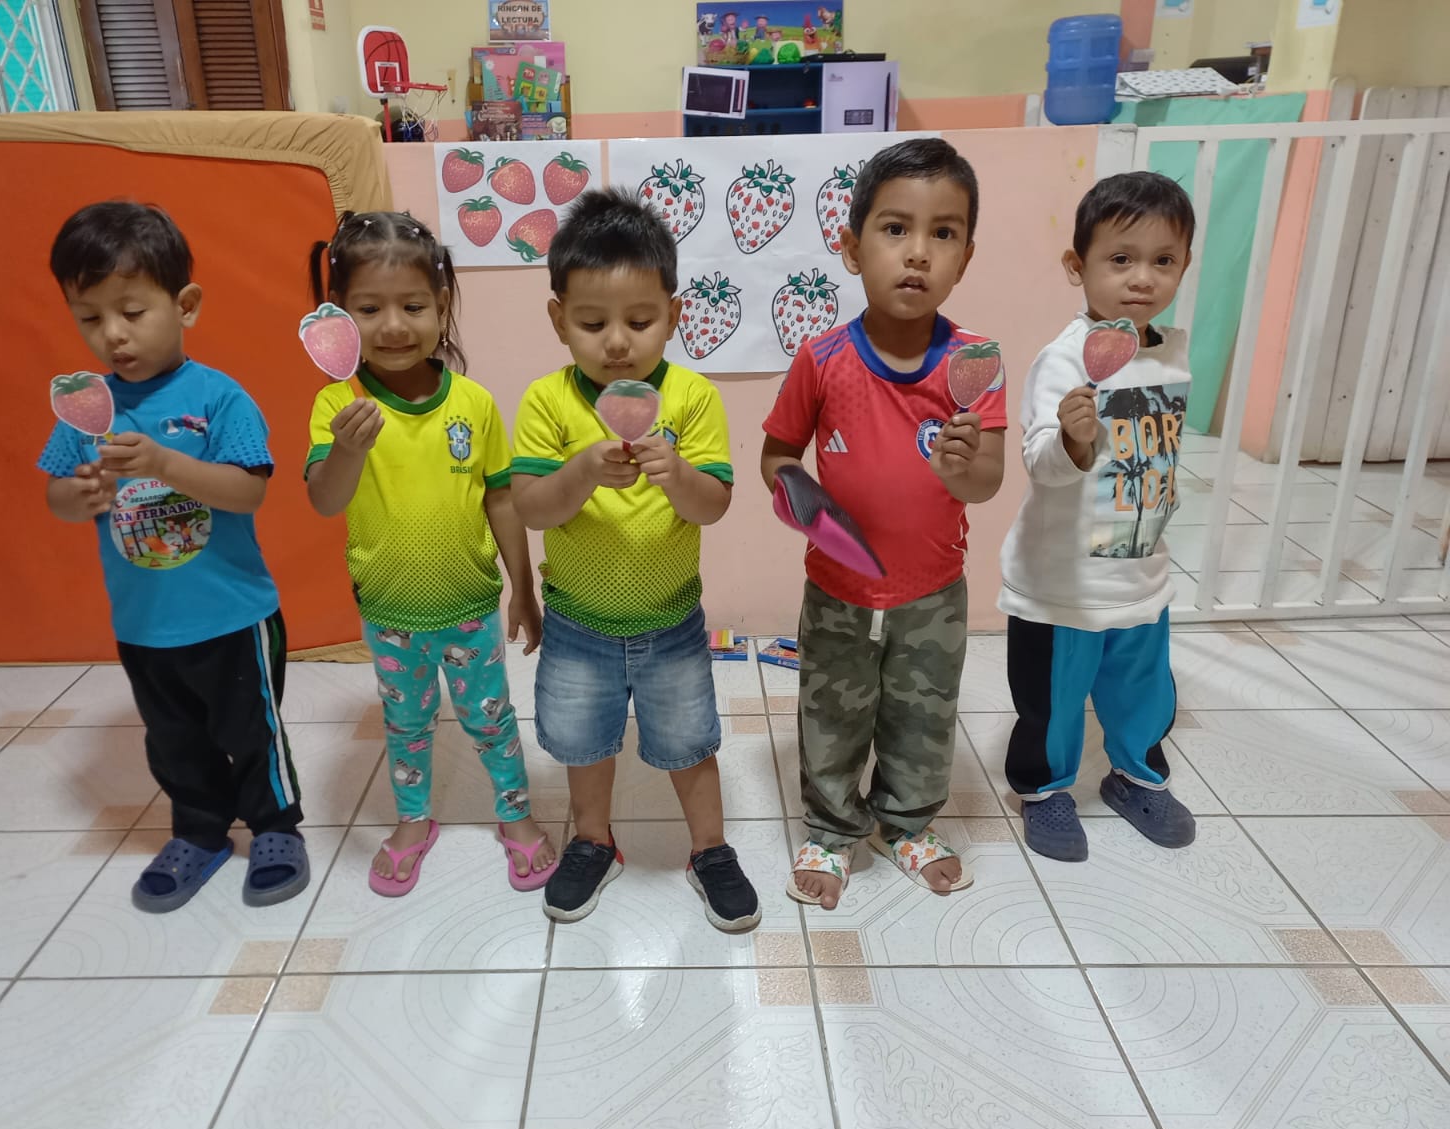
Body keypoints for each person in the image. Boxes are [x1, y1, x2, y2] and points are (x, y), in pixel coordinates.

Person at [39, 201, 307, 912]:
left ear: (185, 305)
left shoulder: (219, 398)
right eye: (89, 317)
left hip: (234, 616)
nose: (113, 334)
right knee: (174, 740)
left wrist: (163, 462)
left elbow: (247, 491)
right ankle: (199, 831)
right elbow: (56, 496)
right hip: (144, 623)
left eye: (131, 311)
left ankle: (276, 827)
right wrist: (79, 494)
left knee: (251, 732)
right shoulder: (86, 405)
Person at [761, 138, 1006, 910]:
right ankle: (833, 829)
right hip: (838, 586)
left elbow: (989, 482)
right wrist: (800, 499)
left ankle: (905, 824)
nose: (918, 252)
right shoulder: (823, 359)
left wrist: (963, 467)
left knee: (923, 714)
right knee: (832, 711)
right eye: (896, 229)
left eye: (944, 233)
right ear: (851, 246)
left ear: (966, 258)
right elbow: (777, 455)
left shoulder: (974, 362)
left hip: (934, 591)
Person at [510, 187, 760, 931]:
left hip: (671, 622)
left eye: (640, 321)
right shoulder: (547, 402)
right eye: (592, 323)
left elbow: (712, 505)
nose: (616, 342)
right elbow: (532, 507)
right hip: (577, 624)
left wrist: (676, 474)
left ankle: (709, 849)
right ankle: (593, 840)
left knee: (689, 743)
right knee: (583, 744)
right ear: (558, 319)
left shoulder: (692, 397)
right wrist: (582, 470)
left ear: (674, 316)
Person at [305, 211, 553, 895]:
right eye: (369, 308)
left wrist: (523, 588)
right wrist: (348, 448)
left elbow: (502, 500)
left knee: (491, 720)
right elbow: (325, 499)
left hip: (470, 606)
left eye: (413, 306)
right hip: (389, 614)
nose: (393, 325)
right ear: (339, 316)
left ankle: (515, 813)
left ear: (442, 306)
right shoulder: (337, 405)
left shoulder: (473, 403)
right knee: (406, 723)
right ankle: (413, 819)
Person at [999, 170, 1198, 861]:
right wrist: (1073, 439)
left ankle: (1136, 776)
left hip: (1141, 571)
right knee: (1053, 700)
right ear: (1076, 266)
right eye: (1120, 259)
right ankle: (1046, 791)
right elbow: (1040, 463)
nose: (1142, 278)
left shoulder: (1171, 351)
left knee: (1143, 691)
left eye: (1163, 260)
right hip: (1064, 584)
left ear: (1184, 266)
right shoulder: (1063, 360)